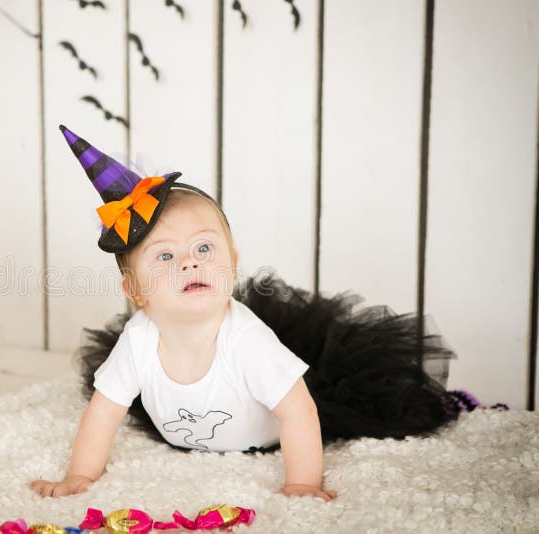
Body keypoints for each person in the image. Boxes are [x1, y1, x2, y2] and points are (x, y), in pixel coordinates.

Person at [30, 125, 457, 500]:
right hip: (187, 436)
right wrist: (81, 475)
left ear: (231, 264)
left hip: (264, 441)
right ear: (135, 291)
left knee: (330, 397)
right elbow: (104, 411)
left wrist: (303, 482)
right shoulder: (139, 339)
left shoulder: (245, 341)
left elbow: (298, 411)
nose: (190, 263)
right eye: (164, 257)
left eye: (204, 248)